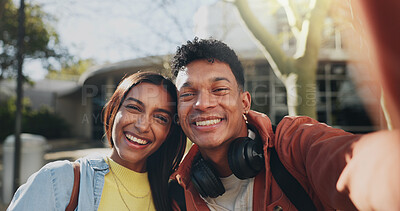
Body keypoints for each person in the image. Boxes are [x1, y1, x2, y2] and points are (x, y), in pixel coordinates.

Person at [169, 38, 400, 210]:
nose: (203, 103)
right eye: (187, 94)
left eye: (219, 90)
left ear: (244, 102)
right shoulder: (176, 197)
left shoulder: (294, 145)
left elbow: (353, 163)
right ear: (178, 114)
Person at [7, 72, 187, 211]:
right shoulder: (59, 180)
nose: (142, 126)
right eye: (133, 108)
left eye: (160, 118)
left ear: (169, 131)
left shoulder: (176, 197)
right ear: (113, 111)